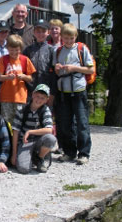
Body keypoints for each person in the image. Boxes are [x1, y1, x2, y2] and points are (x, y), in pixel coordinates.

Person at [54, 23, 94, 165]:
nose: (68, 41)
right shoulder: (58, 51)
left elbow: (90, 70)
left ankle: (84, 153)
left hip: (78, 90)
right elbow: (56, 70)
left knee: (82, 122)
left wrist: (74, 68)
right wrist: (57, 68)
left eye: (71, 38)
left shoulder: (81, 49)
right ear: (61, 38)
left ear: (75, 37)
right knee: (65, 124)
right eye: (66, 38)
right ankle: (69, 151)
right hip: (64, 91)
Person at [11, 84, 57, 173]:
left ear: (47, 100)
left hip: (39, 140)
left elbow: (49, 130)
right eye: (37, 96)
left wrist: (30, 132)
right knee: (23, 169)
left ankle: (40, 157)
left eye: (42, 98)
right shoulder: (22, 109)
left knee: (51, 139)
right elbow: (15, 131)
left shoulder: (45, 110)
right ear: (32, 95)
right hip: (25, 142)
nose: (39, 100)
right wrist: (14, 154)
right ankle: (32, 157)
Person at [0, 34, 36, 125]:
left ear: (20, 49)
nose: (14, 53)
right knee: (7, 122)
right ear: (7, 48)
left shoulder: (25, 60)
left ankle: (19, 139)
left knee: (20, 122)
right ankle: (9, 139)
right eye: (11, 50)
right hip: (6, 97)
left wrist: (23, 76)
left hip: (21, 97)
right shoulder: (3, 59)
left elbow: (31, 78)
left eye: (16, 50)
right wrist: (7, 77)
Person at [23, 19, 56, 105]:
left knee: (44, 115)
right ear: (34, 32)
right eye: (38, 31)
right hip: (30, 90)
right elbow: (23, 70)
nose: (40, 34)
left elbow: (54, 73)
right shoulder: (28, 50)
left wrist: (52, 93)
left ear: (48, 32)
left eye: (43, 31)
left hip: (46, 89)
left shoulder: (51, 50)